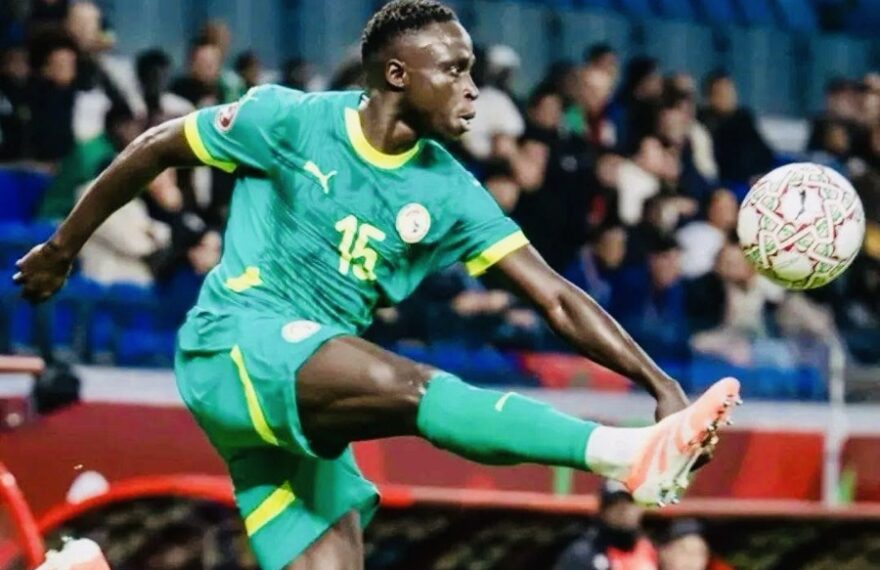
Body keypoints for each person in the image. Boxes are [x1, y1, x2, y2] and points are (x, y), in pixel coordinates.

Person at [13, 2, 741, 568]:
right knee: (414, 386)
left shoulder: (450, 190)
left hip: (309, 395)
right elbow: (156, 146)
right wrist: (61, 248)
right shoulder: (288, 120)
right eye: (454, 70)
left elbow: (553, 296)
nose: (473, 90)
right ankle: (621, 453)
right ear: (397, 75)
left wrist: (659, 383)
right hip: (235, 343)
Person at [553, 481, 658, 570]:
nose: (624, 510)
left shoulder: (647, 549)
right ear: (603, 512)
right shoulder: (583, 555)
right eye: (615, 504)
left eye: (630, 502)